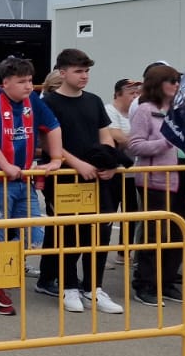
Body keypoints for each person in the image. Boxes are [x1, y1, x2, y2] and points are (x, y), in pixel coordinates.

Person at [0, 57, 68, 317]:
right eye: (22, 81)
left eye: (29, 81)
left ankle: (5, 273)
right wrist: (4, 164)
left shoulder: (32, 101)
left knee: (32, 233)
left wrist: (57, 159)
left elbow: (53, 126)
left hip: (23, 179)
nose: (28, 86)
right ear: (6, 83)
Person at [38, 49, 124, 315]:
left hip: (97, 178)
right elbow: (49, 143)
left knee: (99, 233)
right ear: (62, 73)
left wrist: (109, 164)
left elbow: (106, 136)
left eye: (86, 70)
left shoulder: (95, 101)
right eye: (78, 70)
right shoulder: (49, 103)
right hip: (65, 178)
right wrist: (77, 164)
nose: (84, 75)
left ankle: (93, 288)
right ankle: (69, 287)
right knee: (69, 234)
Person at [126, 63, 185, 305]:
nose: (176, 85)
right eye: (171, 81)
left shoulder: (180, 110)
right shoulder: (145, 110)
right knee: (154, 233)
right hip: (155, 180)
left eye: (178, 81)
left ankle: (167, 280)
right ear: (158, 84)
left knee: (179, 231)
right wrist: (165, 143)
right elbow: (135, 145)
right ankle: (145, 283)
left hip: (183, 177)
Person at [105, 78, 139, 143]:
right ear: (118, 94)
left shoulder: (137, 111)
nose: (136, 96)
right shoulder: (109, 110)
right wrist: (140, 146)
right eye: (132, 93)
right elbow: (118, 138)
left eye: (137, 93)